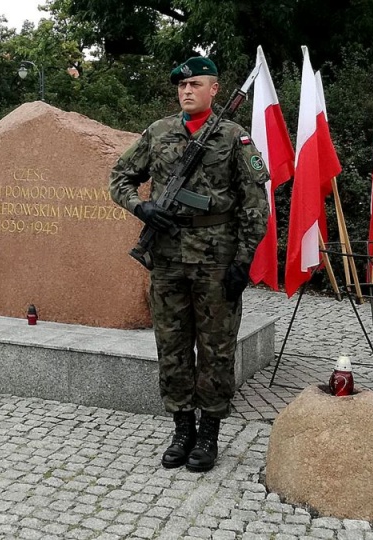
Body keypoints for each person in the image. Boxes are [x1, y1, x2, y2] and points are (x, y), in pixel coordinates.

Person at [109, 57, 268, 472]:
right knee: (173, 347)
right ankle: (182, 428)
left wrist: (243, 260)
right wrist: (141, 207)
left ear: (214, 90)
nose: (186, 90)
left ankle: (209, 432)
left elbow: (256, 206)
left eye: (195, 83)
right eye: (181, 85)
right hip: (167, 258)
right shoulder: (158, 133)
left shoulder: (236, 138)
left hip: (216, 260)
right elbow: (119, 177)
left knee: (216, 348)